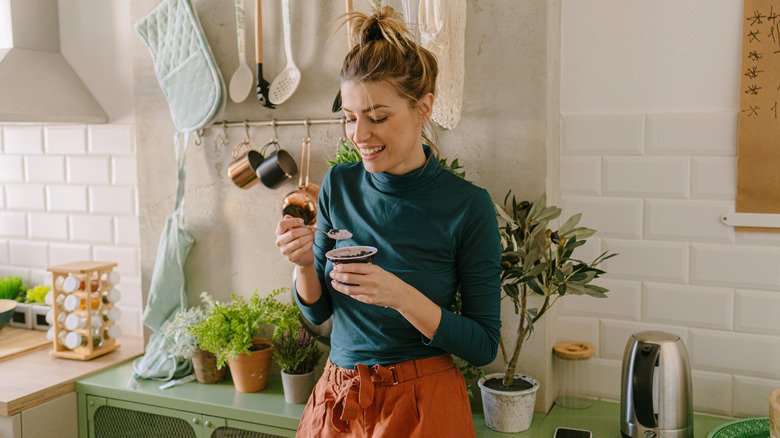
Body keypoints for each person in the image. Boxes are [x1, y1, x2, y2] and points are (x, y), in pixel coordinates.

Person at [275, 6, 500, 437]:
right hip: (338, 400)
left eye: (377, 117)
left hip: (422, 405)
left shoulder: (467, 207)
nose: (360, 135)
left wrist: (400, 296)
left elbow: (483, 345)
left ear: (423, 108)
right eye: (350, 118)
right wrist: (303, 264)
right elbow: (318, 310)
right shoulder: (339, 185)